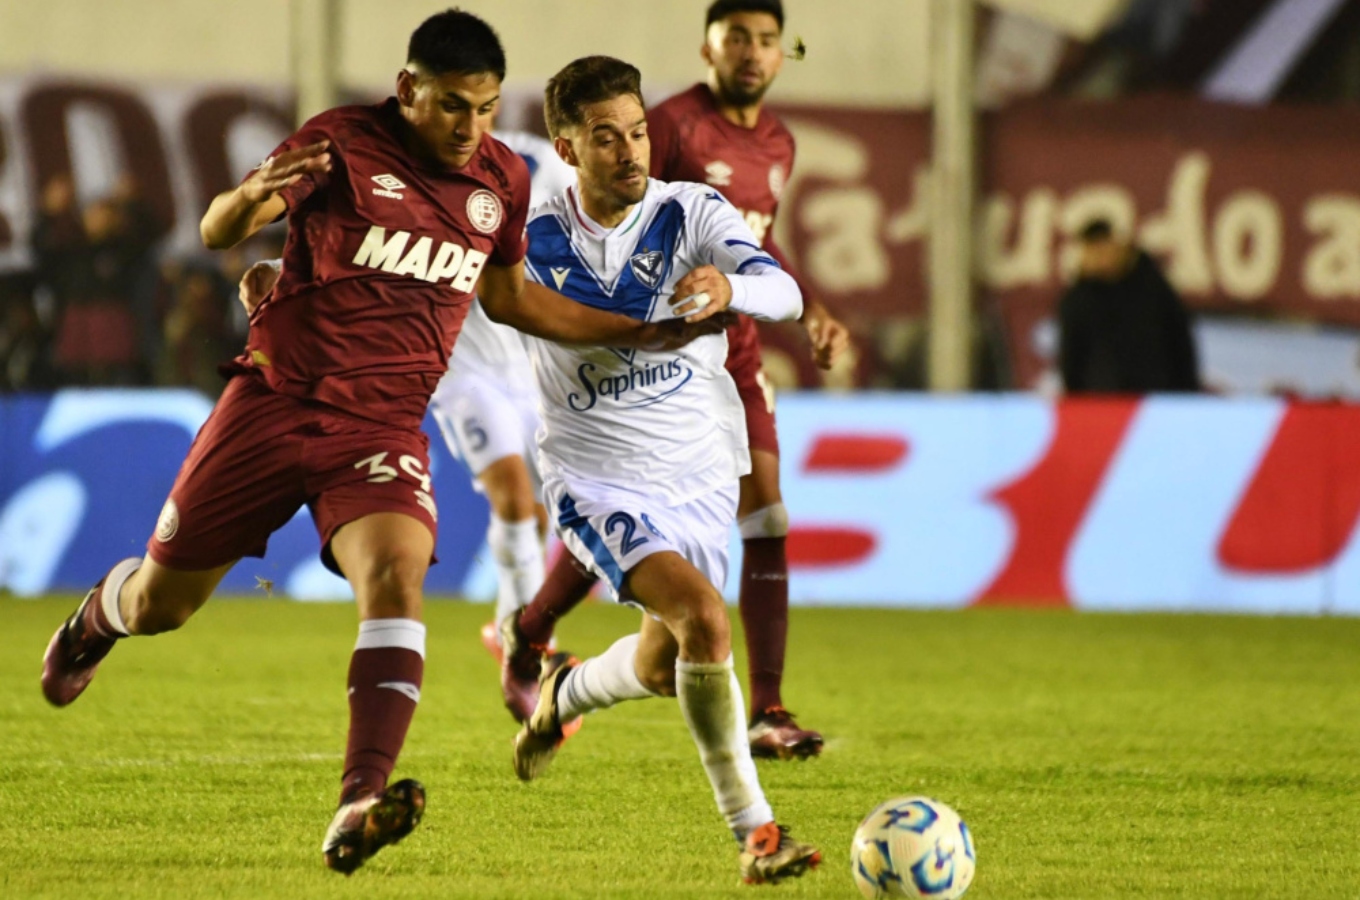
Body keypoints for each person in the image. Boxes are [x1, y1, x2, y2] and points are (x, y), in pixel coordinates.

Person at [39, 9, 715, 876]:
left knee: (397, 572)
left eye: (484, 108)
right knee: (161, 607)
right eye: (450, 107)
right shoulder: (341, 145)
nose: (469, 128)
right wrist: (247, 201)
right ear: (407, 91)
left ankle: (360, 798)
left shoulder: (499, 180)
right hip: (273, 405)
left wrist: (636, 327)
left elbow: (512, 302)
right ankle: (99, 618)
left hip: (383, 429)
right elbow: (218, 230)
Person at [502, 0, 849, 761]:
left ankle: (567, 665)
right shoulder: (670, 130)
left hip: (725, 348)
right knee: (679, 559)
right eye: (738, 41)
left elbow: (755, 241)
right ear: (708, 48)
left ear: (782, 52)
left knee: (753, 541)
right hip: (636, 356)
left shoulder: (778, 142)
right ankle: (758, 776)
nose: (754, 55)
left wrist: (809, 307)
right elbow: (635, 213)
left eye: (766, 41)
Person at [1058, 218, 1201, 394]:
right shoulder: (1078, 301)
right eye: (1094, 250)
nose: (1102, 257)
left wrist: (1186, 394)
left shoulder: (1153, 289)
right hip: (1102, 406)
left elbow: (1181, 344)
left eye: (1105, 247)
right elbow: (1071, 360)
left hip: (1157, 401)